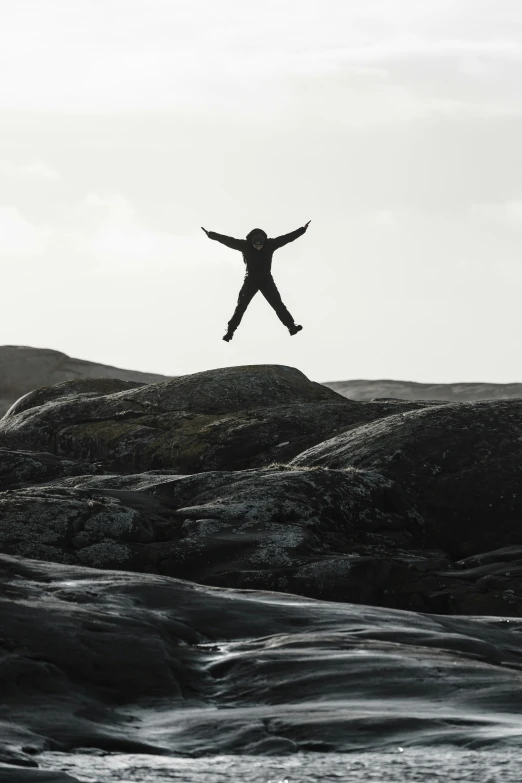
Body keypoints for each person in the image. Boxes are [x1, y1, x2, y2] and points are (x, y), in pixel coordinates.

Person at [201, 221, 311, 341]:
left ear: (263, 243)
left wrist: (302, 230)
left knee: (277, 304)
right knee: (241, 306)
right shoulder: (244, 245)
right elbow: (228, 241)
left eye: (260, 246)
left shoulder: (271, 244)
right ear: (252, 243)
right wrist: (211, 234)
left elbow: (286, 238)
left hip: (266, 280)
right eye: (255, 246)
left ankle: (291, 327)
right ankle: (230, 332)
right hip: (250, 281)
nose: (258, 248)